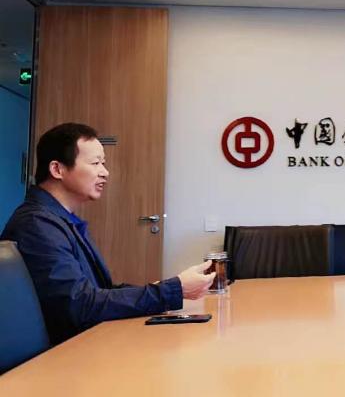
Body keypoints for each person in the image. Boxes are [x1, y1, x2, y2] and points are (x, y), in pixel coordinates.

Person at [1, 123, 216, 345]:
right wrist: (170, 291)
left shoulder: (60, 220)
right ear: (57, 169)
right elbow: (80, 306)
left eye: (103, 163)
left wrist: (170, 289)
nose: (105, 172)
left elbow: (101, 291)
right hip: (66, 354)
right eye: (95, 163)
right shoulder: (37, 225)